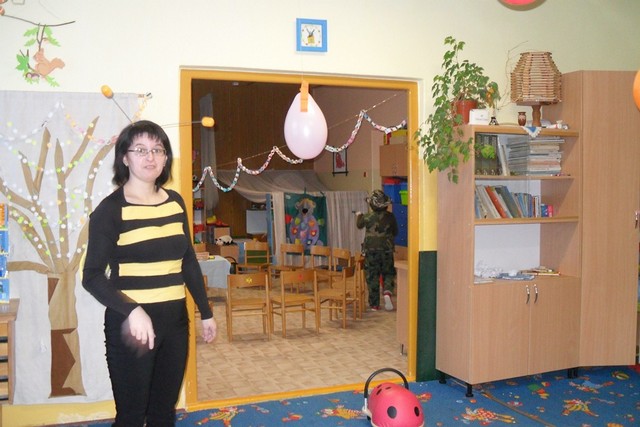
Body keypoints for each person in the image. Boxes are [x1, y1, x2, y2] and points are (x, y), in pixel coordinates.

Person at [82, 120, 216, 426]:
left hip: (175, 323)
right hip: (132, 327)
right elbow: (92, 276)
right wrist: (132, 310)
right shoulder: (110, 210)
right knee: (131, 415)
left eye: (158, 149)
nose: (150, 157)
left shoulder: (176, 203)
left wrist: (206, 312)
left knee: (163, 412)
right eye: (140, 150)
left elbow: (188, 262)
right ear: (124, 157)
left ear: (166, 158)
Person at [355, 189, 398, 311]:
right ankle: (387, 292)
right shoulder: (390, 217)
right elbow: (395, 232)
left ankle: (374, 304)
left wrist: (359, 215)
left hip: (371, 251)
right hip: (387, 250)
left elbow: (359, 225)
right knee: (388, 273)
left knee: (372, 276)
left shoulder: (367, 217)